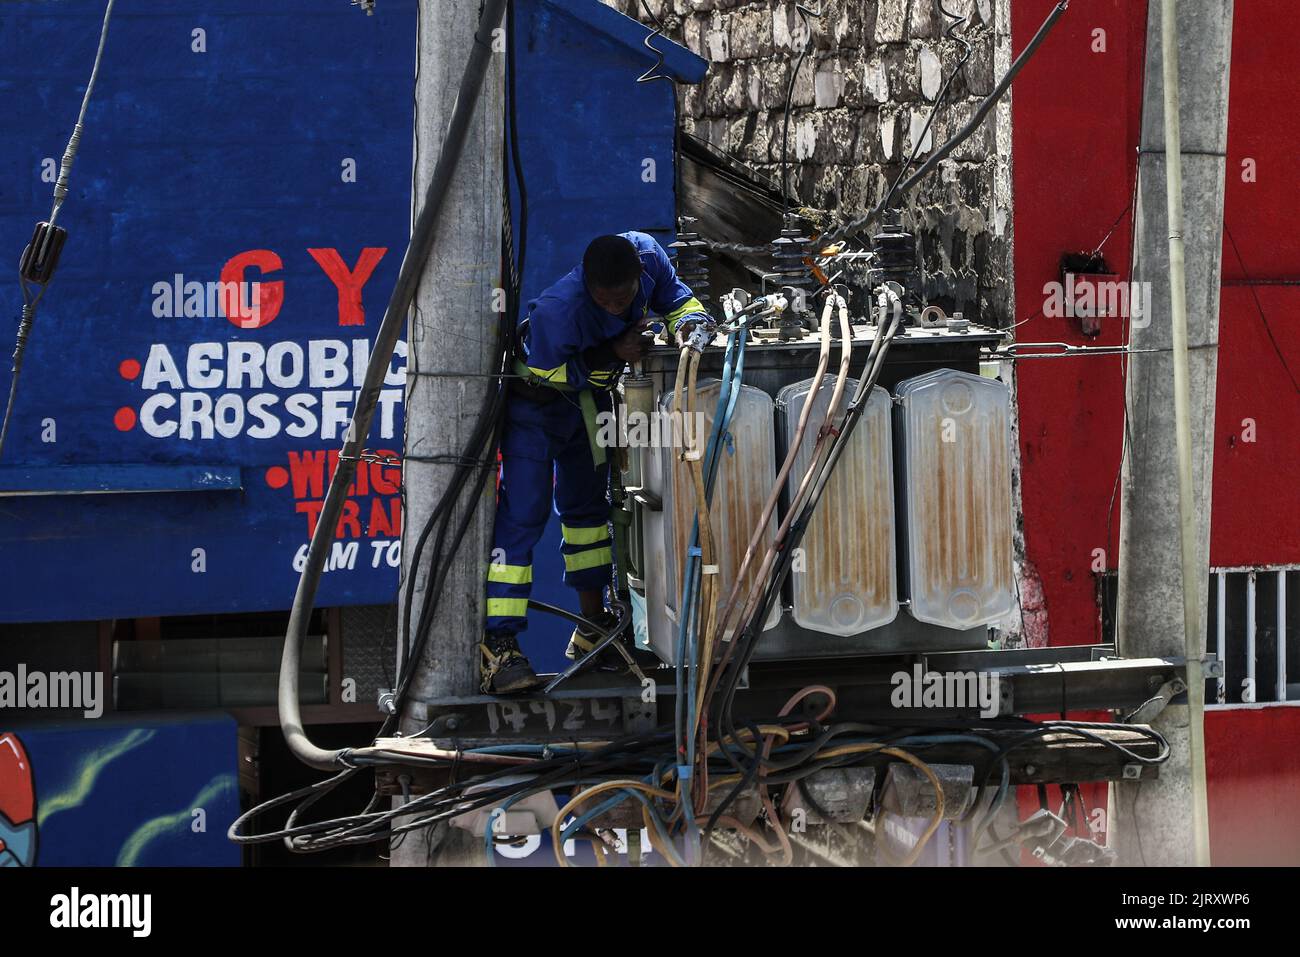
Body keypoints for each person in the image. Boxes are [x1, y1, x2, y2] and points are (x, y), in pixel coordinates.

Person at [479, 231, 712, 693]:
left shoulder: (648, 256)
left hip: (590, 407)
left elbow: (677, 300)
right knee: (524, 515)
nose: (612, 306)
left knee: (589, 516)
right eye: (603, 300)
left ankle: (593, 629)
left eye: (622, 298)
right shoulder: (557, 311)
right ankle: (498, 646)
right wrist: (613, 351)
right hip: (537, 409)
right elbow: (549, 372)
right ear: (587, 285)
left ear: (638, 278)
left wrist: (691, 323)